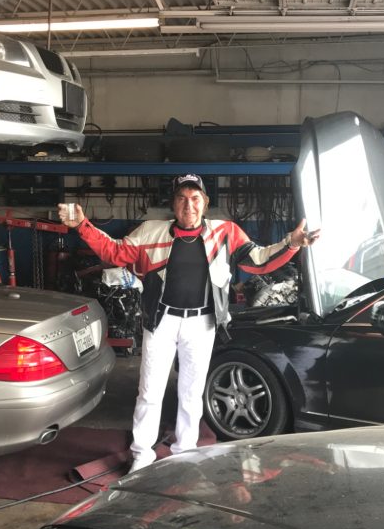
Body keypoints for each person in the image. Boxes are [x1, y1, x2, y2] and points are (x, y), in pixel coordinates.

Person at [57, 175, 319, 473]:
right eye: (182, 198)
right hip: (161, 322)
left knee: (192, 393)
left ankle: (184, 451)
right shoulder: (151, 231)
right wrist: (82, 225)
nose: (189, 205)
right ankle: (141, 454)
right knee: (149, 391)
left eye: (195, 199)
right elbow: (114, 252)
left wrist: (291, 243)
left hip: (201, 324)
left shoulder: (225, 232)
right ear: (173, 203)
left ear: (205, 203)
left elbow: (258, 261)